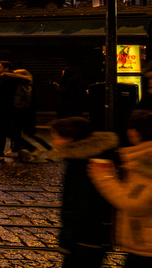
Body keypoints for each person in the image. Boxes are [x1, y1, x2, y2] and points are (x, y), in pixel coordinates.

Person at [51, 115, 118, 268]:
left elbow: (76, 205)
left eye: (57, 138)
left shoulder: (79, 164)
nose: (54, 142)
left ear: (70, 139)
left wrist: (66, 240)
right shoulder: (96, 157)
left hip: (84, 238)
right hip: (96, 236)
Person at [89, 109, 152, 268]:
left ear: (133, 132)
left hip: (146, 245)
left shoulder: (146, 160)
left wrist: (103, 177)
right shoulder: (142, 157)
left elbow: (133, 202)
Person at [0, 60, 30, 160]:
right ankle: (14, 151)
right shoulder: (15, 79)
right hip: (15, 109)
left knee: (2, 132)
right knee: (12, 131)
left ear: (6, 69)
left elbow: (0, 97)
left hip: (5, 110)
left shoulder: (5, 79)